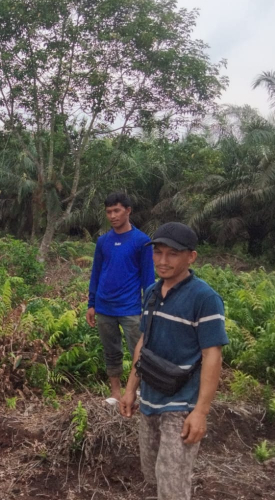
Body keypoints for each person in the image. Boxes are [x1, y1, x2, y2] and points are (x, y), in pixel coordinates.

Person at [119, 222, 228, 500]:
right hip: (151, 399)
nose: (162, 261)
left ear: (191, 256)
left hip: (182, 406)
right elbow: (144, 342)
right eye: (158, 252)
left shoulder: (205, 298)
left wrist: (201, 412)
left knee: (172, 488)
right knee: (152, 477)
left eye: (172, 254)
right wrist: (131, 388)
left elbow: (212, 355)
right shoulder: (153, 293)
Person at [87, 192, 155, 402]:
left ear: (128, 210)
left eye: (117, 211)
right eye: (109, 212)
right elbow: (96, 272)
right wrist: (91, 303)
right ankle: (115, 393)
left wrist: (148, 308)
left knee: (140, 350)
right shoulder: (103, 241)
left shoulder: (141, 241)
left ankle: (140, 391)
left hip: (131, 307)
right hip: (104, 306)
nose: (113, 216)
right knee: (111, 351)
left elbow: (148, 278)